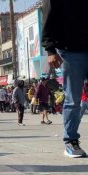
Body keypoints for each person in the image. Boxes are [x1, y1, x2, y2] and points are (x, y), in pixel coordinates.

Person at [42, 0, 88, 158]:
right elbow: (48, 15)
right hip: (70, 50)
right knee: (73, 99)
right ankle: (71, 141)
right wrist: (50, 49)